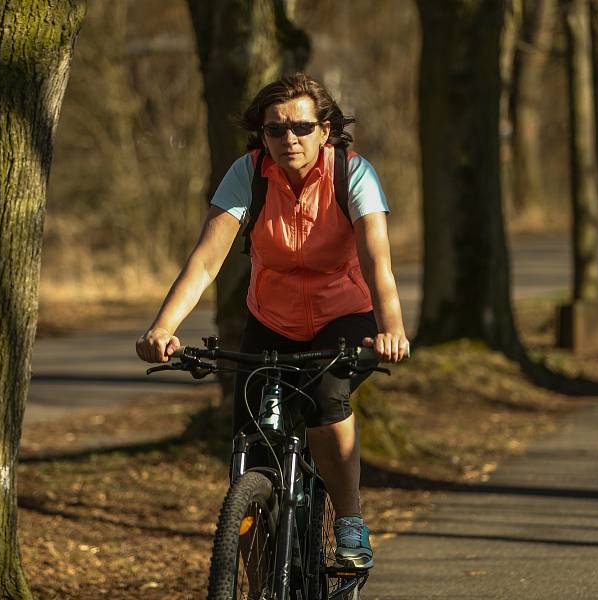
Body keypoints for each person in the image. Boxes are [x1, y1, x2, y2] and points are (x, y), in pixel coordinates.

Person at [136, 73, 409, 570]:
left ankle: (348, 519)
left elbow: (378, 265)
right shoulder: (248, 174)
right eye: (275, 130)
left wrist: (391, 329)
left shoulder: (354, 174)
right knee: (249, 452)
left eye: (302, 127)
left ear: (326, 130)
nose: (290, 139)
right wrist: (163, 326)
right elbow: (204, 262)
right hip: (271, 320)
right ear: (261, 136)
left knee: (328, 396)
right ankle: (258, 573)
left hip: (341, 315)